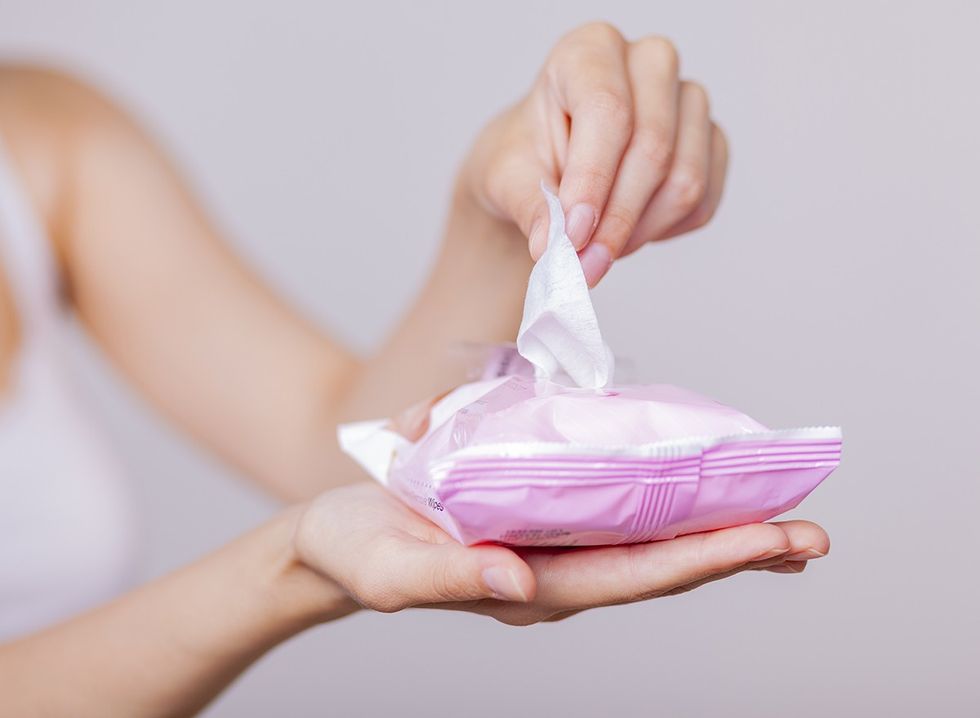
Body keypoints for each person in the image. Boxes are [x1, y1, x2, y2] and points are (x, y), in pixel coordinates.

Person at [0, 22, 829, 717]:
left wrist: (499, 210)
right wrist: (289, 567)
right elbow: (336, 507)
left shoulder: (45, 131)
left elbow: (337, 449)